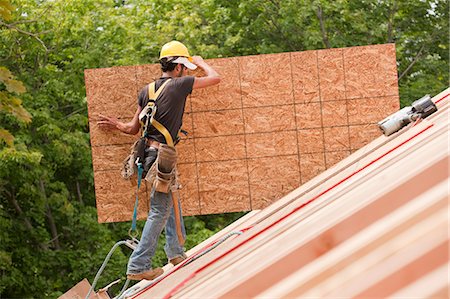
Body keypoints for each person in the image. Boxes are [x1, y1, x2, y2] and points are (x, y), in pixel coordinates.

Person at [97, 41, 220, 281]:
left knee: (170, 198)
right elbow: (216, 78)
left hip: (148, 156)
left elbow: (133, 128)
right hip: (162, 157)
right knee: (159, 209)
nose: (186, 72)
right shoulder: (180, 85)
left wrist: (115, 125)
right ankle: (138, 264)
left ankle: (174, 251)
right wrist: (201, 62)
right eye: (185, 67)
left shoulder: (147, 90)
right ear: (178, 67)